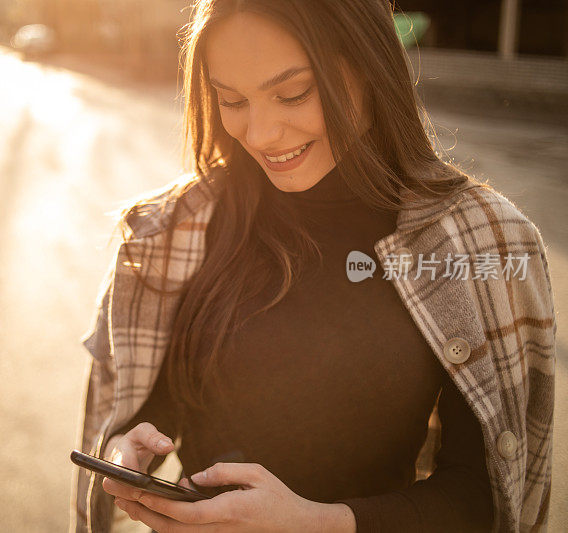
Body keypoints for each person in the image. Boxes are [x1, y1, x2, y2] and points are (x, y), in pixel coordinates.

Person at [70, 1, 556, 532]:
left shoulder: (482, 245)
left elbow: (486, 497)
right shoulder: (172, 230)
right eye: (231, 100)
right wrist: (128, 449)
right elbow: (152, 405)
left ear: (370, 68)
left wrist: (319, 523)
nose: (259, 134)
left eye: (293, 93)